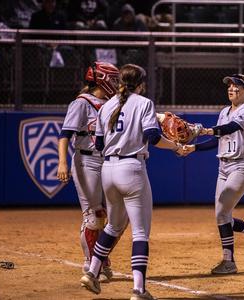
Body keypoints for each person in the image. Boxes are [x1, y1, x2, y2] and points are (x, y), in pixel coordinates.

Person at [79, 64, 184, 300]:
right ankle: (138, 290)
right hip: (132, 168)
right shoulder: (144, 103)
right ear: (141, 84)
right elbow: (153, 138)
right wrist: (177, 146)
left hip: (108, 169)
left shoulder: (106, 106)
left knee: (113, 226)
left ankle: (92, 273)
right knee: (140, 233)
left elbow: (97, 144)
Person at [182, 74, 244, 274]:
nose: (232, 88)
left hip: (241, 167)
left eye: (236, 86)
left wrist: (205, 130)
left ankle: (229, 261)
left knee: (223, 211)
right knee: (222, 215)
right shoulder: (224, 111)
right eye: (230, 85)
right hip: (222, 168)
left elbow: (230, 128)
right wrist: (194, 148)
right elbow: (219, 139)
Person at [58, 61, 120, 282]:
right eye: (113, 79)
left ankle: (100, 258)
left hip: (108, 162)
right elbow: (65, 134)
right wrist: (62, 163)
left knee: (113, 217)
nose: (116, 83)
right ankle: (91, 262)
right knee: (94, 216)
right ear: (101, 79)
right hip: (86, 161)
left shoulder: (113, 103)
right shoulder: (81, 103)